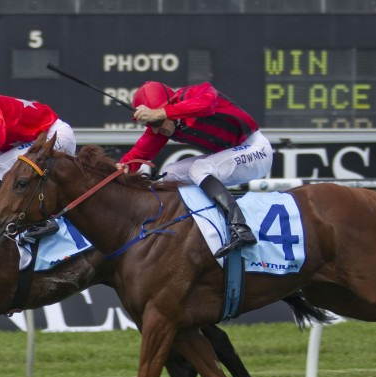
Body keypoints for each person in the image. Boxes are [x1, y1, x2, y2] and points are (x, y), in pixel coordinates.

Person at [117, 81, 273, 258]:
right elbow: (138, 154)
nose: (156, 129)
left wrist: (160, 113)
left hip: (257, 150)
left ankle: (240, 227)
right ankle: (190, 229)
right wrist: (119, 169)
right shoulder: (162, 125)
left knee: (200, 168)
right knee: (170, 174)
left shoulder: (195, 93)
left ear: (169, 106)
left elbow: (207, 103)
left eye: (157, 122)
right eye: (149, 124)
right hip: (234, 154)